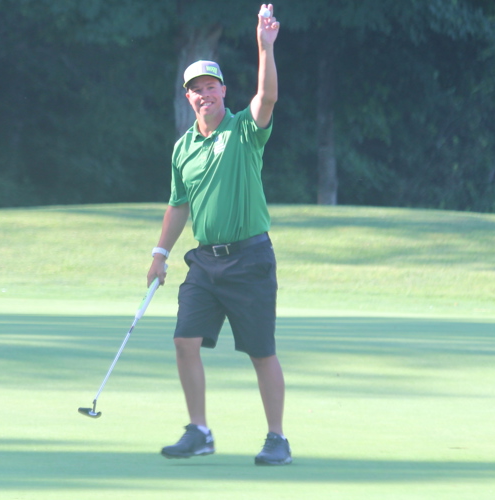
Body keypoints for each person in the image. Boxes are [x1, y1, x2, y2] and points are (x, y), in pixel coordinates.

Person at [147, 4, 291, 466]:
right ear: (187, 97)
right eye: (196, 89)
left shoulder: (244, 129)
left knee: (260, 351)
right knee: (183, 341)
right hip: (204, 262)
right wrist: (159, 253)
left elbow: (266, 97)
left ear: (224, 90)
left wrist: (265, 47)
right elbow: (178, 204)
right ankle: (200, 431)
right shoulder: (183, 148)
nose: (204, 94)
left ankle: (277, 438)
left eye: (210, 87)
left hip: (249, 259)